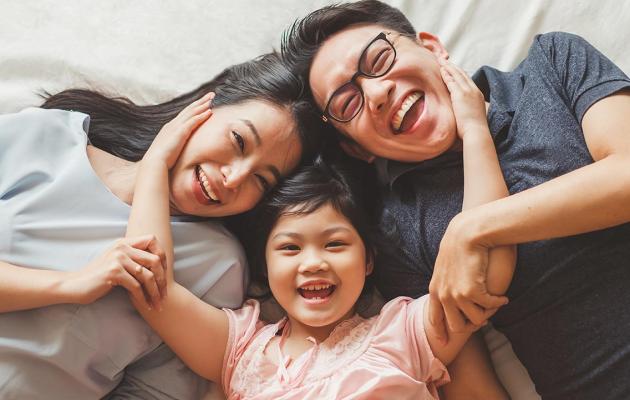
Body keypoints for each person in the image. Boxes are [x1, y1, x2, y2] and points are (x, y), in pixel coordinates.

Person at [280, 1, 630, 399]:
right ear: (358, 149)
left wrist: (472, 229)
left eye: (379, 59)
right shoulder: (397, 230)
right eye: (347, 104)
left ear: (432, 48)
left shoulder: (553, 63)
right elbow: (463, 372)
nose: (376, 92)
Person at [119, 60, 512, 399]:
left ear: (368, 260)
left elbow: (485, 262)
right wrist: (155, 164)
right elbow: (152, 283)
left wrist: (475, 131)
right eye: (289, 249)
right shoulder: (239, 348)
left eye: (336, 244)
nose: (313, 263)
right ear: (265, 266)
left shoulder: (403, 334)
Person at [0, 53, 323, 399]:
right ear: (203, 108)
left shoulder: (216, 265)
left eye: (261, 180)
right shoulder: (45, 135)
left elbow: (154, 392)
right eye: (239, 141)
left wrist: (155, 165)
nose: (234, 178)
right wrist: (68, 286)